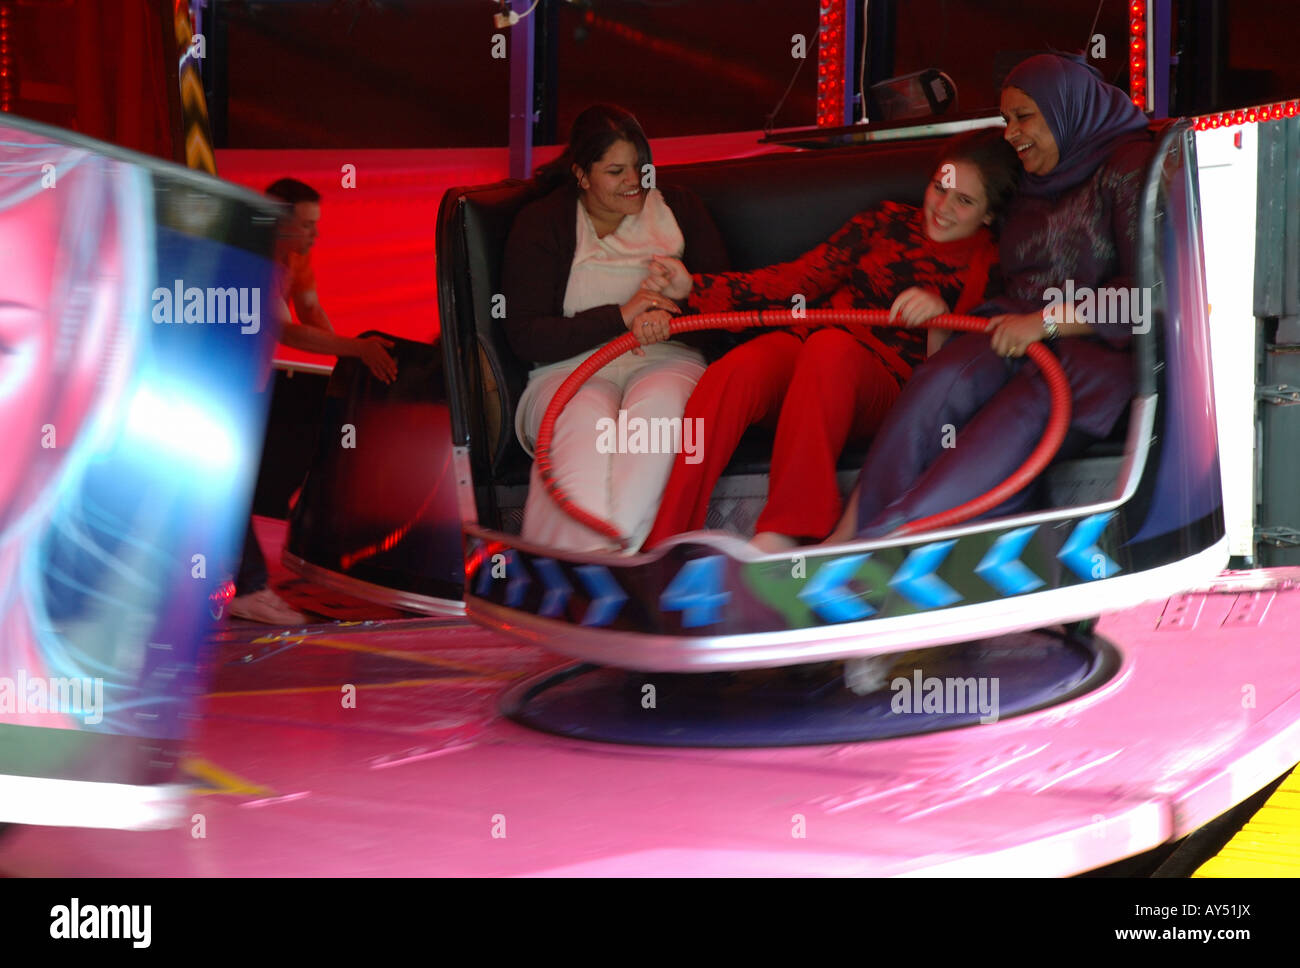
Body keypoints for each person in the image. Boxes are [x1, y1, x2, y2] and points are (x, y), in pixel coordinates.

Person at [640, 128, 1021, 552]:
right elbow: (797, 278)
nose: (943, 207)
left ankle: (791, 529)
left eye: (964, 201)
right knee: (734, 372)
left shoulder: (990, 262)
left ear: (988, 214)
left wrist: (941, 319)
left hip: (885, 384)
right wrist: (691, 286)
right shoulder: (886, 220)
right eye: (939, 187)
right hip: (814, 346)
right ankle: (666, 541)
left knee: (830, 350)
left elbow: (959, 379)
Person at [832, 53, 1153, 543]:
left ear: (1069, 110)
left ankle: (890, 541)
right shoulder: (1032, 177)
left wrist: (1046, 322)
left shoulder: (1130, 166)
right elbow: (969, 216)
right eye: (1007, 119)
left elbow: (1147, 296)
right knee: (937, 384)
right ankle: (848, 540)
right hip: (1007, 333)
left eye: (1024, 117)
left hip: (1092, 355)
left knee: (1004, 428)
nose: (1011, 133)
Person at [503, 104, 731, 552]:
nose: (635, 181)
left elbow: (726, 310)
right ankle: (576, 560)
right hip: (569, 369)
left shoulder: (679, 207)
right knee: (584, 421)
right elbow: (526, 334)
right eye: (616, 171)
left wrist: (673, 318)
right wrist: (622, 316)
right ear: (582, 176)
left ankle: (619, 558)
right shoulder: (542, 223)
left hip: (668, 360)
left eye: (641, 168)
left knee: (659, 412)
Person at [229, 177, 397, 624]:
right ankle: (247, 587)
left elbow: (311, 312)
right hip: (211, 383)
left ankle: (240, 583)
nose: (314, 235)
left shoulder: (295, 259)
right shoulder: (249, 256)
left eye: (315, 225)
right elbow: (286, 330)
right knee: (230, 486)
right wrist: (357, 350)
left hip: (246, 384)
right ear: (277, 222)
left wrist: (347, 352)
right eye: (305, 225)